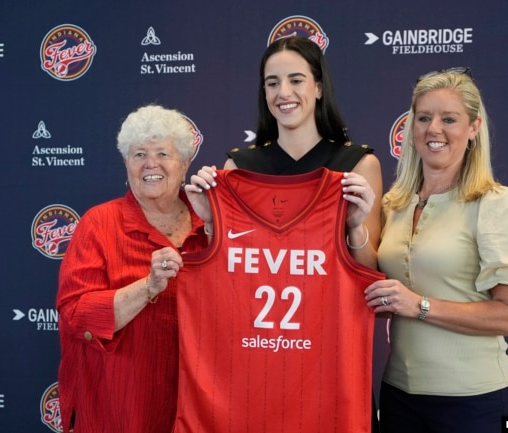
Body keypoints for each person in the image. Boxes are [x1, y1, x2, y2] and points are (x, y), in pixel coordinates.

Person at [186, 36, 383, 432]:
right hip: (251, 366)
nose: (284, 93)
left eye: (296, 79)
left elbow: (369, 273)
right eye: (272, 82)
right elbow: (222, 277)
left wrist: (356, 227)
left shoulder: (357, 165)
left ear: (319, 87)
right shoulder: (237, 167)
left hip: (327, 366)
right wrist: (210, 222)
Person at [364, 67, 508, 433]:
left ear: (474, 128)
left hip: (472, 402)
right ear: (411, 127)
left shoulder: (498, 204)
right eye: (424, 118)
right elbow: (378, 297)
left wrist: (419, 305)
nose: (434, 130)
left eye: (449, 119)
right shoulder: (394, 205)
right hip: (398, 394)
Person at [56, 104, 209, 433]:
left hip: (196, 411)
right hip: (119, 411)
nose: (150, 164)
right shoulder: (99, 224)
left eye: (163, 154)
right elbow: (75, 315)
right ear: (126, 163)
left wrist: (214, 228)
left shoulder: (211, 227)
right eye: (139, 154)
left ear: (185, 164)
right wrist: (149, 286)